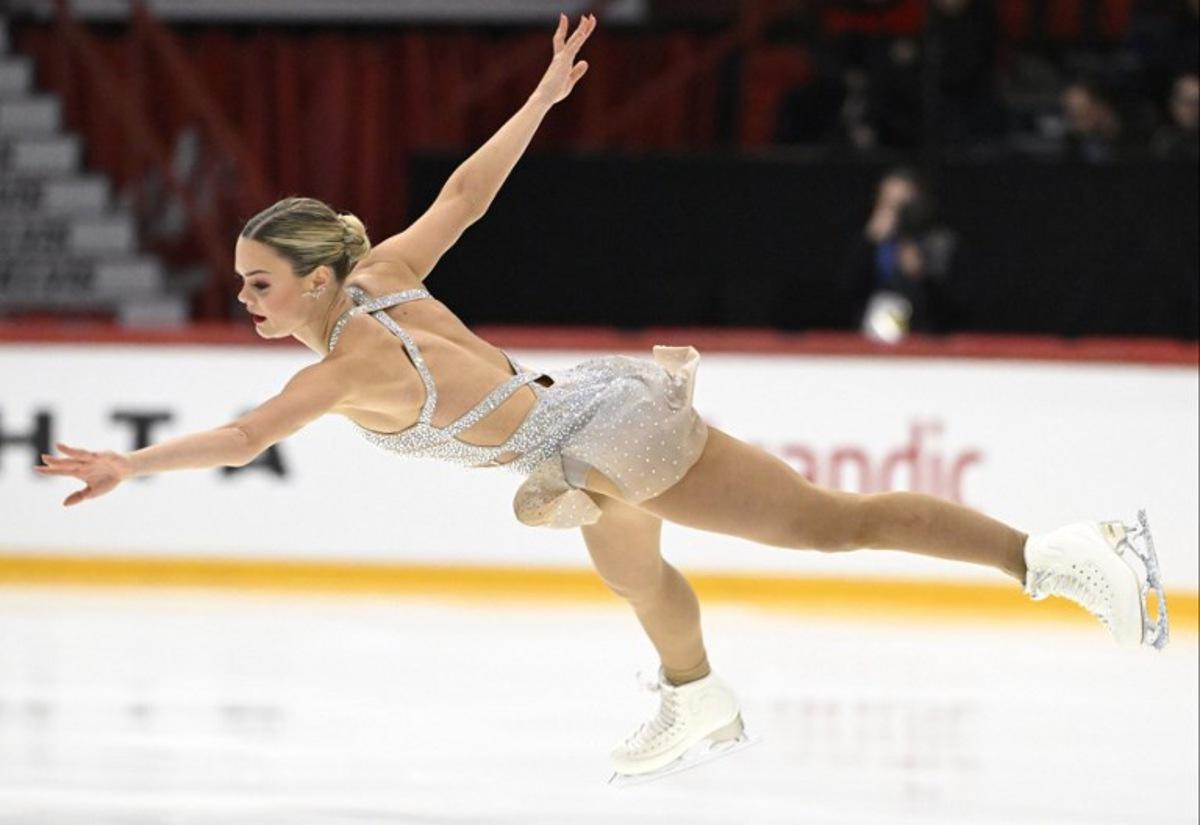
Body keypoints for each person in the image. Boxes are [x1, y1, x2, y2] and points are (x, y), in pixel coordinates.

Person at [34, 13, 1168, 784]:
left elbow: (243, 435)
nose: (244, 298)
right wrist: (539, 97)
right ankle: (696, 697)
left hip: (598, 430)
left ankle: (1061, 553)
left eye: (260, 283)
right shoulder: (382, 276)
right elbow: (465, 196)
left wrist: (133, 463)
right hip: (579, 420)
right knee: (636, 573)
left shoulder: (340, 368)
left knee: (827, 524)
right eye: (242, 283)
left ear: (319, 278)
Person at [841, 167, 958, 341]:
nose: (893, 211)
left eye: (901, 203)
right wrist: (868, 244)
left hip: (920, 337)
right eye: (887, 202)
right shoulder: (868, 240)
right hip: (869, 334)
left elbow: (951, 303)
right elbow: (847, 290)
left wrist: (921, 274)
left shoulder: (938, 241)